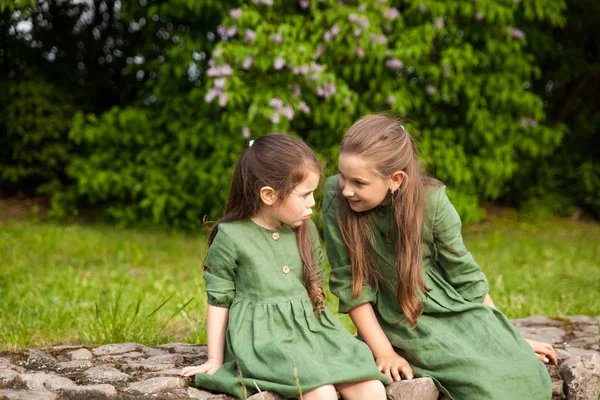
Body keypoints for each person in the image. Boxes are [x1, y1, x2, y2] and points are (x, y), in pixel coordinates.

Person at [322, 114, 556, 399]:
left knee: (524, 369)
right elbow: (351, 285)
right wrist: (383, 351)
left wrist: (507, 337)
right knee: (481, 381)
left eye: (358, 182)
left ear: (395, 179)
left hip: (446, 306)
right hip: (398, 322)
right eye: (343, 176)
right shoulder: (336, 196)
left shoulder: (431, 200)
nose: (346, 189)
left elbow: (465, 274)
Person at [180, 134, 390, 400]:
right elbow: (219, 299)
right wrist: (214, 357)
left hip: (312, 332)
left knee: (371, 387)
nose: (313, 203)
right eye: (304, 195)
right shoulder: (232, 236)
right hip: (263, 341)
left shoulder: (305, 230)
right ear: (269, 195)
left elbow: (314, 285)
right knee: (321, 392)